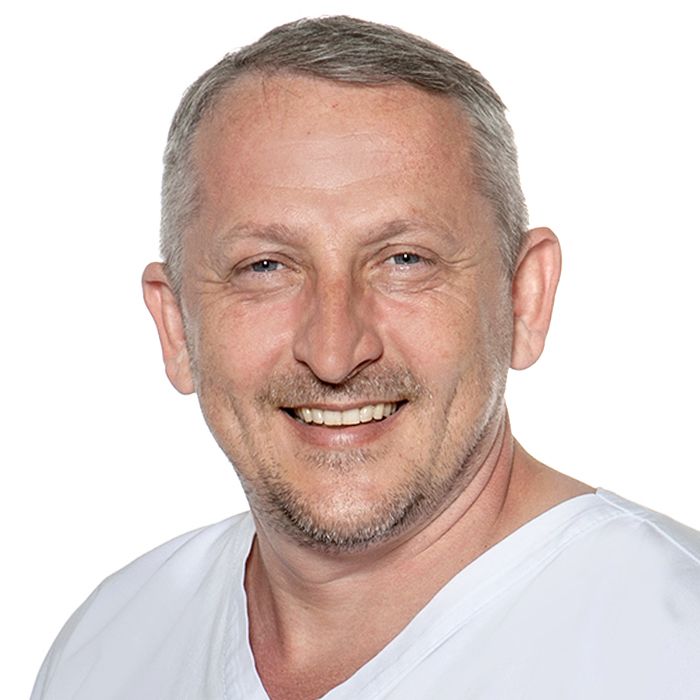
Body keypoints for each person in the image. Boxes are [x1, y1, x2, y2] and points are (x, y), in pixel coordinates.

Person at [32, 15, 700, 700]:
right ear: (176, 326)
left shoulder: (675, 649)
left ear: (524, 299)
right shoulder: (108, 647)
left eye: (404, 260)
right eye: (266, 266)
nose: (333, 352)